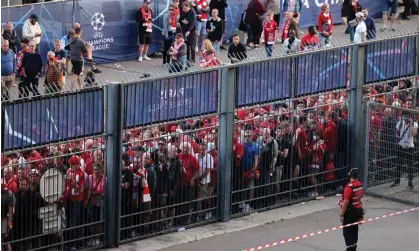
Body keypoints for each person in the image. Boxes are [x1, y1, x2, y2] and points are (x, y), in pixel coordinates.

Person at [339, 168, 365, 251]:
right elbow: (360, 197)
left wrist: (342, 214)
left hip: (350, 213)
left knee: (347, 231)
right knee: (354, 229)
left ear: (350, 175)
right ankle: (354, 246)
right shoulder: (359, 185)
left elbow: (346, 203)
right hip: (357, 211)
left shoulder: (349, 188)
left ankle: (350, 248)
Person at [392, 110, 418, 189]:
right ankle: (397, 181)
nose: (405, 118)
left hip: (410, 146)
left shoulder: (414, 124)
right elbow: (396, 133)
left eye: (407, 116)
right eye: (404, 116)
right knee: (398, 164)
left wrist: (410, 125)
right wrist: (398, 137)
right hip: (401, 145)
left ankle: (410, 182)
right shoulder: (399, 123)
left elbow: (413, 134)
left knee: (410, 165)